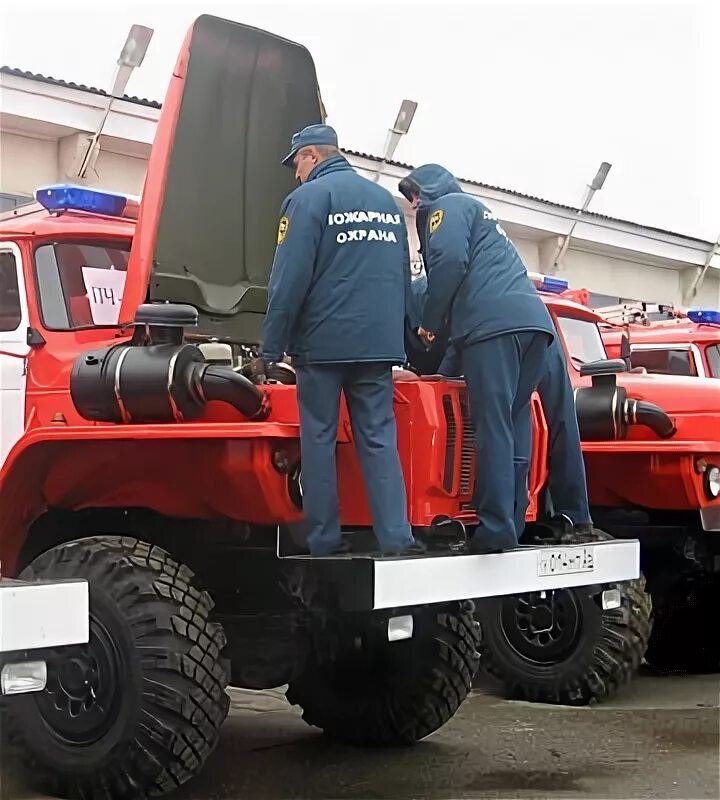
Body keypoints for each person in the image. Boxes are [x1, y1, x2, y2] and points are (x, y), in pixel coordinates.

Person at [260, 124, 424, 557]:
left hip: (324, 345)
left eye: (296, 163)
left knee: (319, 438)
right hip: (377, 346)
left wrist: (270, 349)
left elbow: (288, 280)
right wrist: (400, 338)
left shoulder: (307, 199)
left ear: (311, 156)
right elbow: (401, 276)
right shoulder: (385, 204)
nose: (295, 173)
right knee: (378, 438)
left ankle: (324, 541)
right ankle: (397, 539)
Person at [398, 164, 555, 553]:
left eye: (414, 195)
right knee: (514, 422)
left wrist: (429, 325)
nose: (413, 204)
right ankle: (514, 521)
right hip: (534, 326)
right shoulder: (480, 214)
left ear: (429, 191)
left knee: (490, 425)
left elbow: (450, 262)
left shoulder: (446, 208)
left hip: (494, 328)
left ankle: (495, 528)